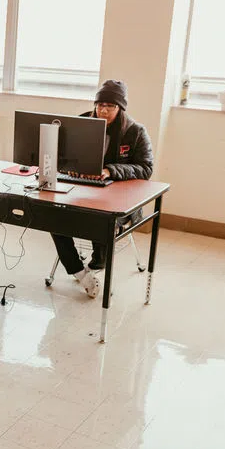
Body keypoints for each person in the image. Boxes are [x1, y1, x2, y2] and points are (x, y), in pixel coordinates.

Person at [51, 79, 154, 298]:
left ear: (120, 108)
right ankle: (81, 273)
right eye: (100, 105)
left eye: (110, 106)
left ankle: (97, 263)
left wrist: (110, 170)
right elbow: (60, 156)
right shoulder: (80, 123)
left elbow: (146, 168)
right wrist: (71, 168)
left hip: (119, 201)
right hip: (80, 192)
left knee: (101, 220)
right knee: (53, 217)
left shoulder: (135, 132)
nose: (103, 111)